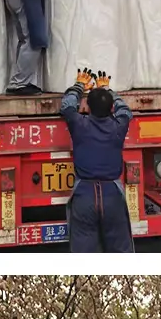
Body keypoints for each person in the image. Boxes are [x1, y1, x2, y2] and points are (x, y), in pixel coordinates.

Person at [59, 77, 134, 251]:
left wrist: (78, 86)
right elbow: (125, 110)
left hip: (84, 195)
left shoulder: (80, 125)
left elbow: (67, 106)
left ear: (87, 107)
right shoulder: (118, 127)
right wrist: (107, 89)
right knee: (120, 249)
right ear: (112, 108)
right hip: (112, 195)